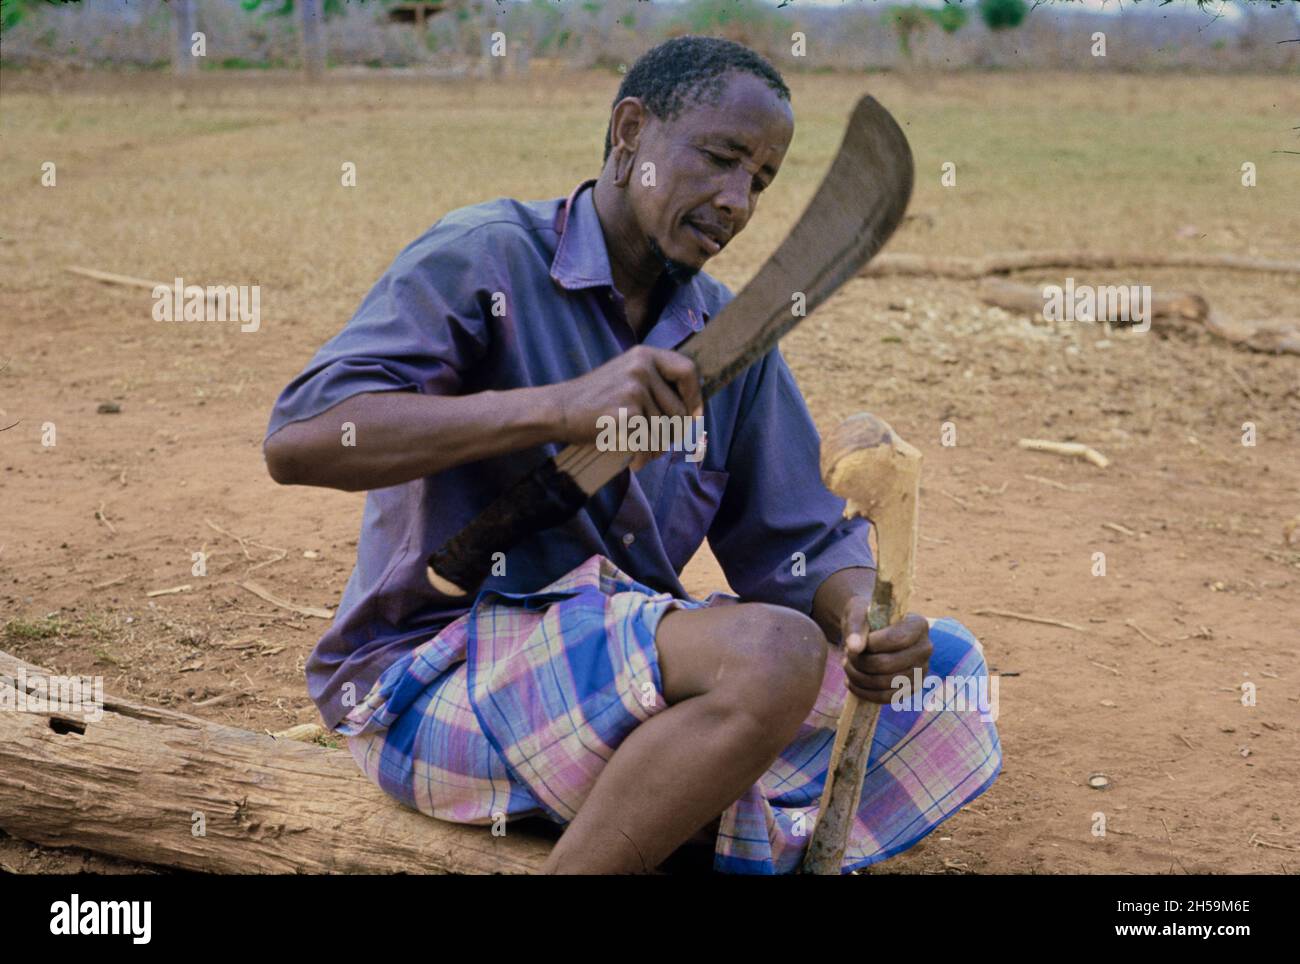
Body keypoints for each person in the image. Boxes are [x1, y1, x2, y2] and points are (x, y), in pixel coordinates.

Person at [263, 36, 1000, 874]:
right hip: (435, 679)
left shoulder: (728, 336)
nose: (736, 202)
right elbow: (302, 438)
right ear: (629, 133)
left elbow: (797, 546)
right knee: (772, 658)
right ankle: (678, 823)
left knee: (946, 670)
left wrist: (864, 615)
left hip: (618, 680)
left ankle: (672, 804)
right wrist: (558, 407)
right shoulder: (485, 256)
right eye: (720, 159)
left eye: (760, 181)